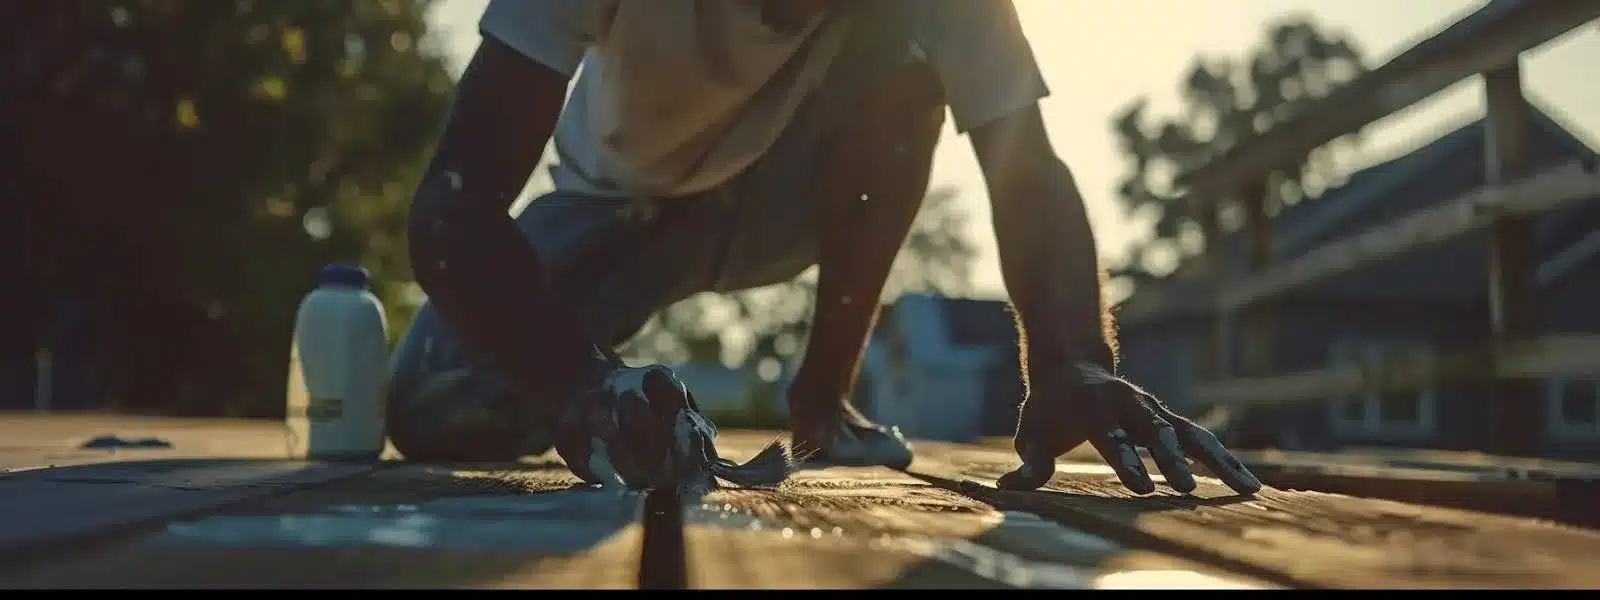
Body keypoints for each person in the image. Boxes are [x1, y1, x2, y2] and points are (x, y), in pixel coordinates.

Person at [390, 0, 1261, 496]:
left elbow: (1022, 160)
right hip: (617, 205)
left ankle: (824, 400)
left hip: (785, 196)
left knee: (908, 74)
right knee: (436, 402)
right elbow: (451, 209)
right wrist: (580, 388)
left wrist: (1072, 357)